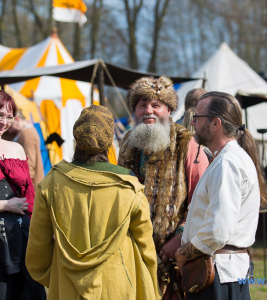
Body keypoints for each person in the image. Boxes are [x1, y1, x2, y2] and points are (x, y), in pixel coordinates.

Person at [26, 105, 160, 300]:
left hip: (66, 289)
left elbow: (37, 254)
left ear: (77, 138)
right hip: (119, 286)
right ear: (109, 142)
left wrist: (58, 278)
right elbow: (146, 249)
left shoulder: (51, 182)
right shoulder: (129, 186)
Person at [118, 76, 209, 299]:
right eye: (142, 105)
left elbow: (204, 199)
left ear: (168, 110)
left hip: (174, 258)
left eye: (156, 105)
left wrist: (179, 237)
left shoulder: (187, 143)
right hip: (134, 253)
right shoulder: (127, 143)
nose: (148, 111)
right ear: (135, 111)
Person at [175, 91, 267, 300]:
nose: (193, 123)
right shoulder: (225, 159)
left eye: (197, 117)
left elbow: (218, 231)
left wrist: (183, 254)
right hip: (219, 273)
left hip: (219, 276)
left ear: (215, 123)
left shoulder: (227, 163)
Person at [0, 90, 46, 300]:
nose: (4, 122)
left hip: (19, 235)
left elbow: (28, 194)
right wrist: (5, 206)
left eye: (9, 117)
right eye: (0, 115)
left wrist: (36, 229)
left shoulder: (17, 148)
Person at [8, 109, 44, 190]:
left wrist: (23, 186)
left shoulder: (27, 133)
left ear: (16, 119)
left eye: (10, 125)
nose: (9, 130)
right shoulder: (26, 131)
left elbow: (30, 163)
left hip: (29, 186)